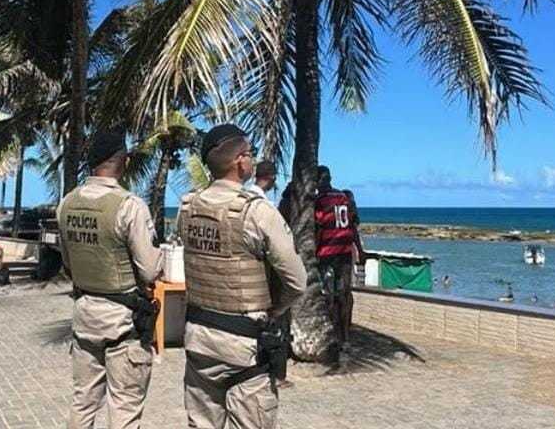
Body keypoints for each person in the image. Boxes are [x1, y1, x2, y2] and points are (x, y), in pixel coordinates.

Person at [179, 123, 306, 429]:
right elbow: (297, 281)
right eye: (250, 154)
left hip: (199, 336)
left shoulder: (188, 207)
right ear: (240, 160)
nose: (252, 161)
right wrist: (274, 308)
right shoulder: (257, 213)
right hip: (245, 343)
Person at [57, 130, 163, 429]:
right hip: (123, 320)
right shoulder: (129, 205)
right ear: (123, 161)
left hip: (84, 314)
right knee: (124, 409)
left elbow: (68, 263)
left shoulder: (67, 203)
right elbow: (149, 270)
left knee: (83, 402)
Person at [314, 166, 362, 343]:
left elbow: (320, 226)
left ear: (318, 180)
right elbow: (352, 226)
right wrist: (359, 249)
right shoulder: (343, 197)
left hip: (328, 252)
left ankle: (333, 333)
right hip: (345, 251)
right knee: (344, 293)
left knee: (329, 294)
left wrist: (316, 250)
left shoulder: (320, 200)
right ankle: (345, 333)